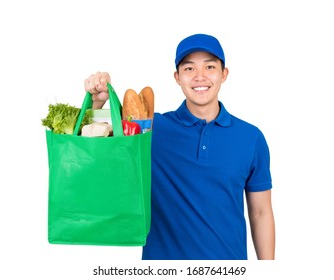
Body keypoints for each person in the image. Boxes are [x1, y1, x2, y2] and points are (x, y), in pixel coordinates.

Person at [84, 34, 275, 260]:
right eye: (189, 69)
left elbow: (261, 212)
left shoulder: (251, 138)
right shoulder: (150, 130)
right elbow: (94, 150)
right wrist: (97, 102)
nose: (200, 77)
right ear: (177, 77)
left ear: (224, 74)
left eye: (210, 66)